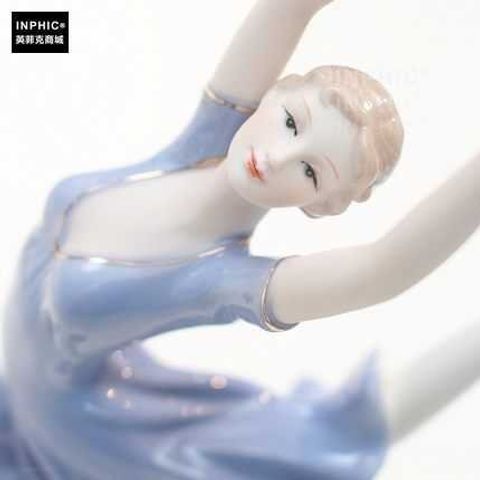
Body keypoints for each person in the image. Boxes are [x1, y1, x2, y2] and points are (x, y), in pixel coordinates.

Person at [2, 0, 480, 478]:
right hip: (19, 391)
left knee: (318, 441)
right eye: (291, 123)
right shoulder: (203, 145)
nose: (276, 157)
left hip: (74, 429)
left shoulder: (222, 278)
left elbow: (383, 270)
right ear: (272, 94)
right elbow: (289, 7)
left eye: (310, 171)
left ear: (322, 205)